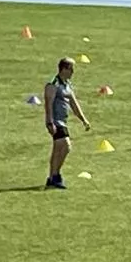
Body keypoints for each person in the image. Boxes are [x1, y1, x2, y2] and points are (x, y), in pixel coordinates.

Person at [43, 57, 90, 190]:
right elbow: (48, 103)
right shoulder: (54, 84)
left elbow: (74, 104)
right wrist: (49, 122)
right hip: (56, 121)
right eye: (71, 69)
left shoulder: (67, 85)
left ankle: (53, 177)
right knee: (66, 146)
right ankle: (55, 175)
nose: (73, 72)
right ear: (64, 69)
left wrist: (83, 120)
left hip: (62, 121)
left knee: (58, 149)